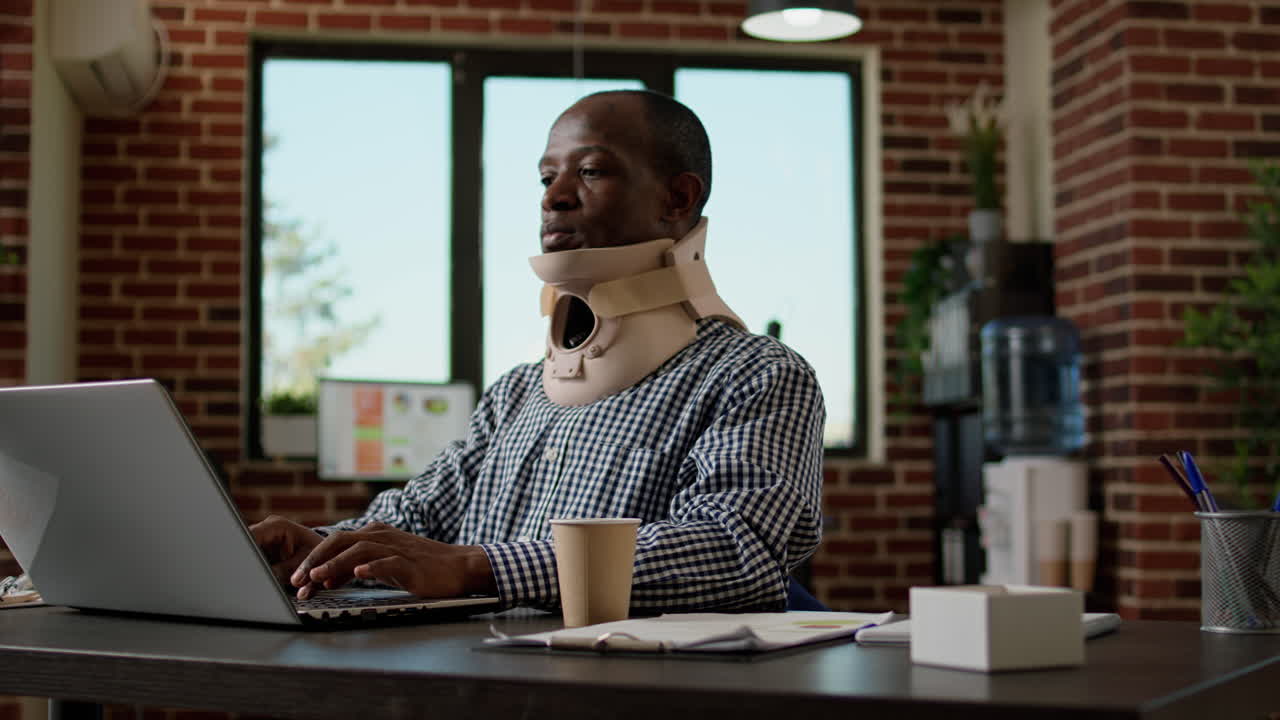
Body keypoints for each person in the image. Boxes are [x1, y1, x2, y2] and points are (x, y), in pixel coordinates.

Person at [251, 90, 825, 612]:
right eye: (547, 177)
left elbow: (736, 551)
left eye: (590, 171)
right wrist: (319, 552)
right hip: (475, 672)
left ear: (678, 198)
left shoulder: (756, 376)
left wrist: (478, 568)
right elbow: (419, 518)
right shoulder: (516, 394)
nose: (554, 197)